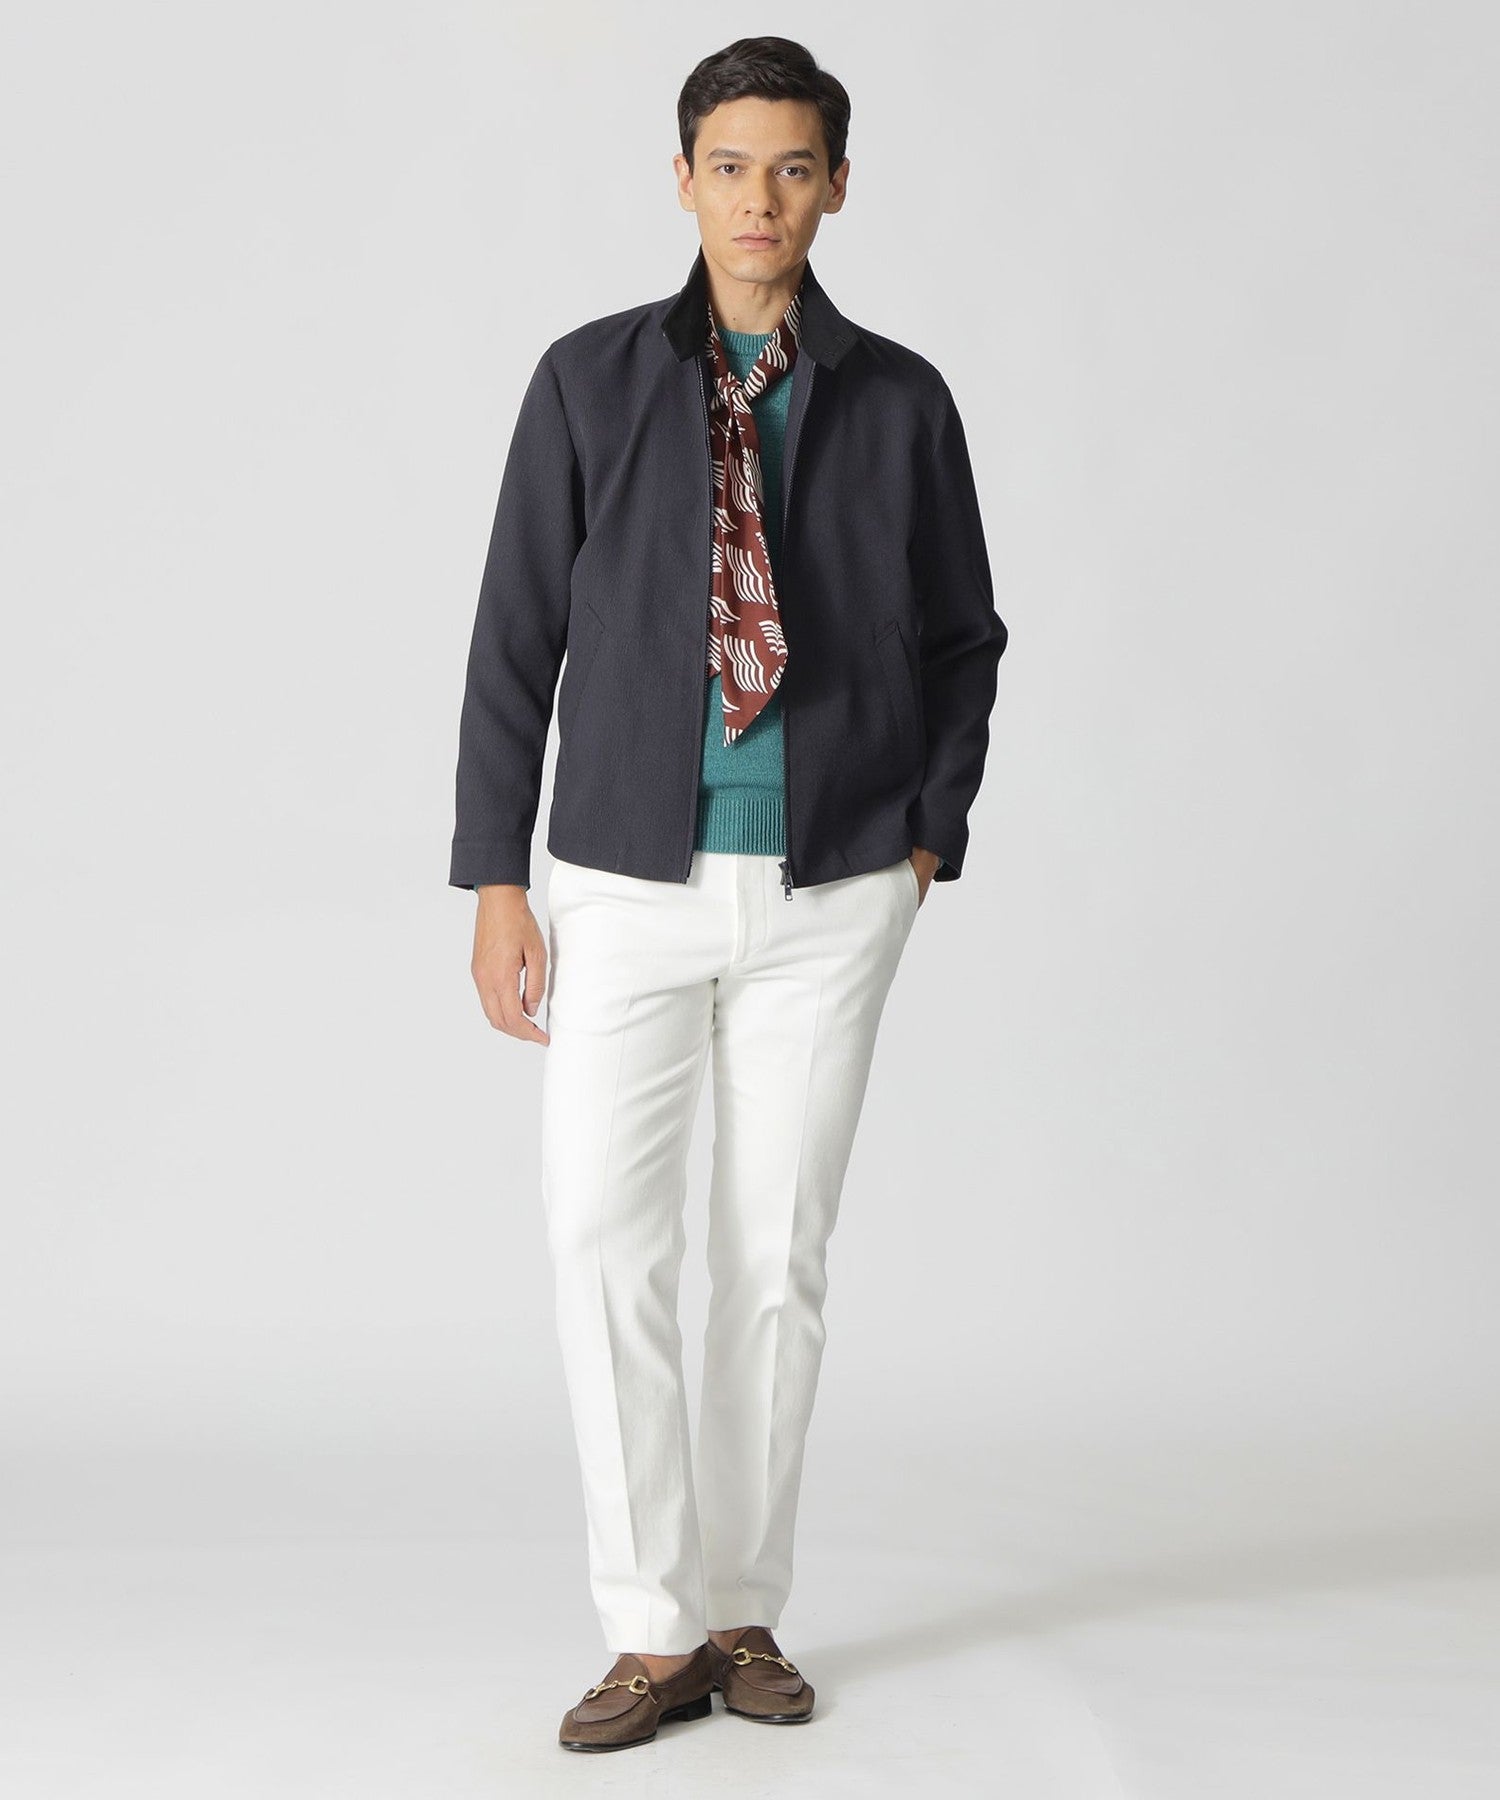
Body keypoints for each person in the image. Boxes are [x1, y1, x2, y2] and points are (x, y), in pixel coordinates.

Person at [449, 35, 1008, 1753]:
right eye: (731, 164)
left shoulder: (901, 400)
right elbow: (513, 634)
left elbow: (964, 635)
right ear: (682, 179)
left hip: (833, 885)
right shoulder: (587, 381)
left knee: (774, 1258)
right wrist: (496, 875)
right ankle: (648, 1629)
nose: (761, 198)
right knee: (604, 1240)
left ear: (836, 187)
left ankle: (743, 1612)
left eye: (794, 167)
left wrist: (924, 840)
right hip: (623, 877)